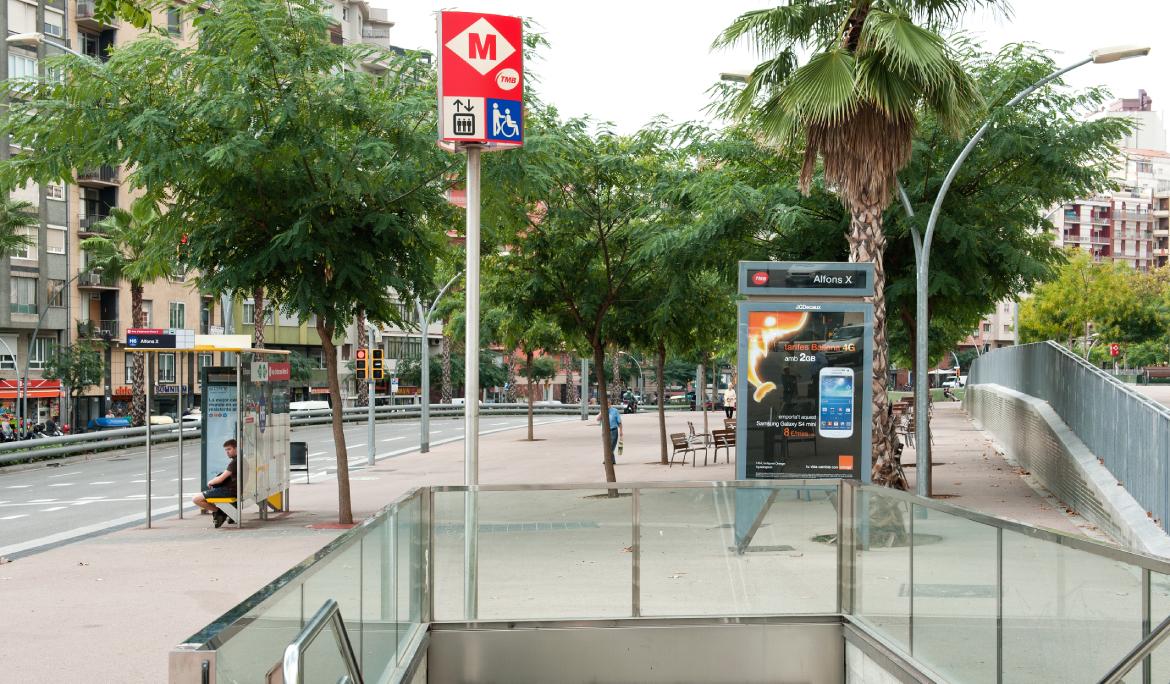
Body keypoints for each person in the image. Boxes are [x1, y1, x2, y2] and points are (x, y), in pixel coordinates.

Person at [193, 439, 238, 528]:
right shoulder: (239, 459)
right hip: (235, 489)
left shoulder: (235, 462)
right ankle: (223, 512)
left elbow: (221, 478)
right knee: (211, 493)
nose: (227, 452)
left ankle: (219, 512)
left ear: (236, 448)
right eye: (226, 450)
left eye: (229, 449)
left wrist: (210, 482)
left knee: (196, 499)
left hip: (229, 491)